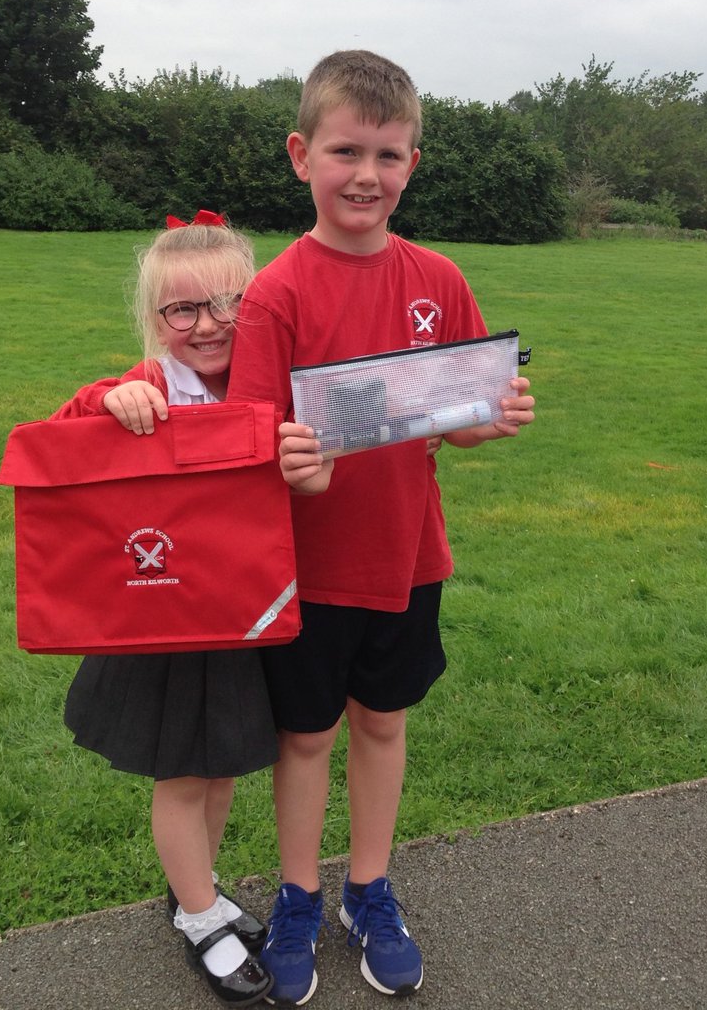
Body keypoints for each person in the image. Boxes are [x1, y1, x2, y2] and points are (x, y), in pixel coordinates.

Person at [226, 51, 535, 1005]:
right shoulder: (277, 293)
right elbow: (249, 442)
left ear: (412, 163)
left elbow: (457, 416)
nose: (367, 174)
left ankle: (369, 887)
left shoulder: (438, 278)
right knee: (307, 737)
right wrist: (294, 467)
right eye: (346, 150)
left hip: (408, 554)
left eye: (388, 154)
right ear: (300, 155)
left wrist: (485, 423)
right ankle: (298, 896)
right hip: (309, 567)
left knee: (384, 724)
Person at [52, 211, 275, 1007]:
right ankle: (201, 916)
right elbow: (66, 435)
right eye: (184, 310)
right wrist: (110, 400)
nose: (210, 324)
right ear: (155, 321)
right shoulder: (147, 387)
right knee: (183, 773)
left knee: (221, 765)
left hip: (239, 610)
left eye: (229, 303)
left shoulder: (260, 382)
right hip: (162, 616)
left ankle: (197, 896)